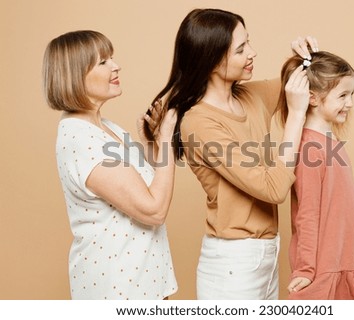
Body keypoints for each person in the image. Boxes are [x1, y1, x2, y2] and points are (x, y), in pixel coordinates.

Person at [146, 8, 318, 299]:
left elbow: (303, 82)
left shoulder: (250, 96)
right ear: (211, 59)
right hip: (233, 265)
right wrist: (297, 115)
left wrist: (307, 58)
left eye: (248, 42)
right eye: (240, 49)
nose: (252, 52)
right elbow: (274, 188)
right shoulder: (200, 123)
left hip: (266, 255)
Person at [42, 30, 178, 299]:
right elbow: (153, 210)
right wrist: (167, 140)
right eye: (103, 62)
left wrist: (151, 144)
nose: (116, 66)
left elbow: (146, 188)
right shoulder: (82, 139)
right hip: (118, 287)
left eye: (111, 58)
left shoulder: (106, 127)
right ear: (75, 75)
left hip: (142, 280)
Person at [277, 51, 354, 299]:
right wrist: (305, 269)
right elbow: (307, 213)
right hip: (322, 271)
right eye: (342, 95)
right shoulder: (310, 148)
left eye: (352, 95)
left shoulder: (332, 141)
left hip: (342, 262)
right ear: (313, 98)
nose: (349, 103)